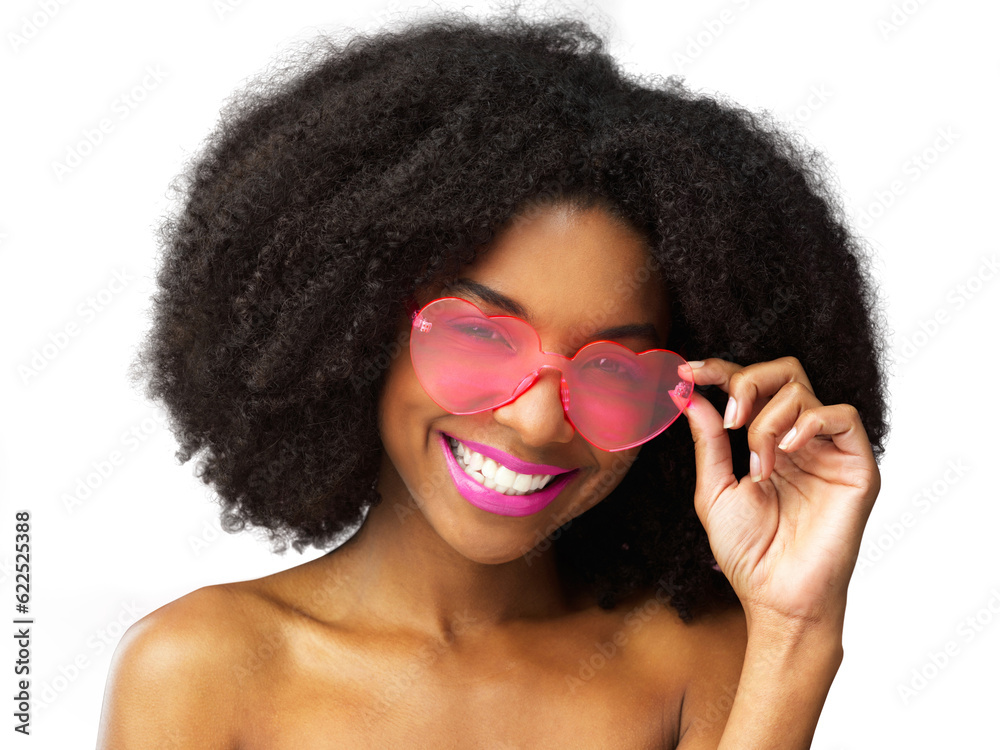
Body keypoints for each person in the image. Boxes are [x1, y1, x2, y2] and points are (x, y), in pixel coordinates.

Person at [97, 12, 887, 748]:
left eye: (614, 371)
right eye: (479, 337)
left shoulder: (693, 662)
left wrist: (797, 627)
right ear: (358, 327)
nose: (540, 422)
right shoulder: (198, 670)